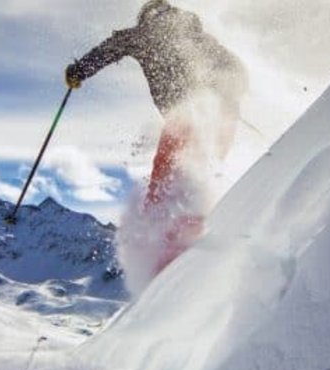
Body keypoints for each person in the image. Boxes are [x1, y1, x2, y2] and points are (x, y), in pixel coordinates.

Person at [66, 0, 247, 291]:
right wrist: (228, 95)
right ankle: (198, 225)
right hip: (222, 113)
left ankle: (166, 238)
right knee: (202, 168)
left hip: (190, 110)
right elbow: (236, 69)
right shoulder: (197, 35)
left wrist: (78, 71)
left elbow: (111, 47)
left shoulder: (146, 33)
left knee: (167, 173)